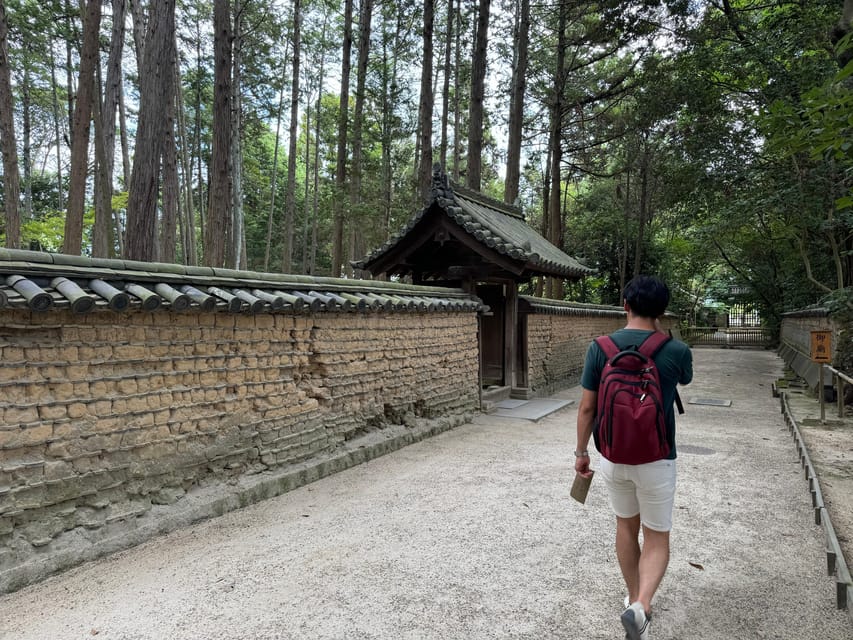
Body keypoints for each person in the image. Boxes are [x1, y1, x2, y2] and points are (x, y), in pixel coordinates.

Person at [574, 275, 693, 640]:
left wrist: (581, 454)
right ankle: (642, 604)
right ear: (662, 310)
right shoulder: (676, 351)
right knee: (656, 536)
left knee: (626, 526)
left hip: (612, 455)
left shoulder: (601, 347)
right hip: (658, 457)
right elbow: (684, 381)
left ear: (625, 305)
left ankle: (633, 597)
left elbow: (587, 408)